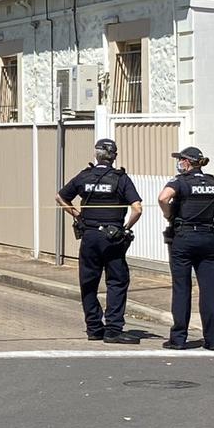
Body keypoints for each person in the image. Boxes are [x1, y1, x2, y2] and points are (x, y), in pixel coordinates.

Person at [56, 138, 144, 344]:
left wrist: (76, 215)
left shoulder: (85, 176)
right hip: (112, 237)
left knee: (88, 282)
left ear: (96, 155)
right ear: (114, 156)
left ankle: (94, 328)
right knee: (117, 280)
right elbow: (137, 208)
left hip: (89, 235)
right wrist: (125, 228)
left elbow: (60, 197)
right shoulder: (121, 179)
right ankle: (113, 329)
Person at [157, 147, 214, 350]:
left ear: (187, 162)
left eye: (181, 160)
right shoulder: (213, 182)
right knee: (210, 290)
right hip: (208, 238)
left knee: (182, 288)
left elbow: (163, 198)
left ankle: (178, 339)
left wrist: (169, 214)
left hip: (184, 238)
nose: (179, 163)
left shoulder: (180, 181)